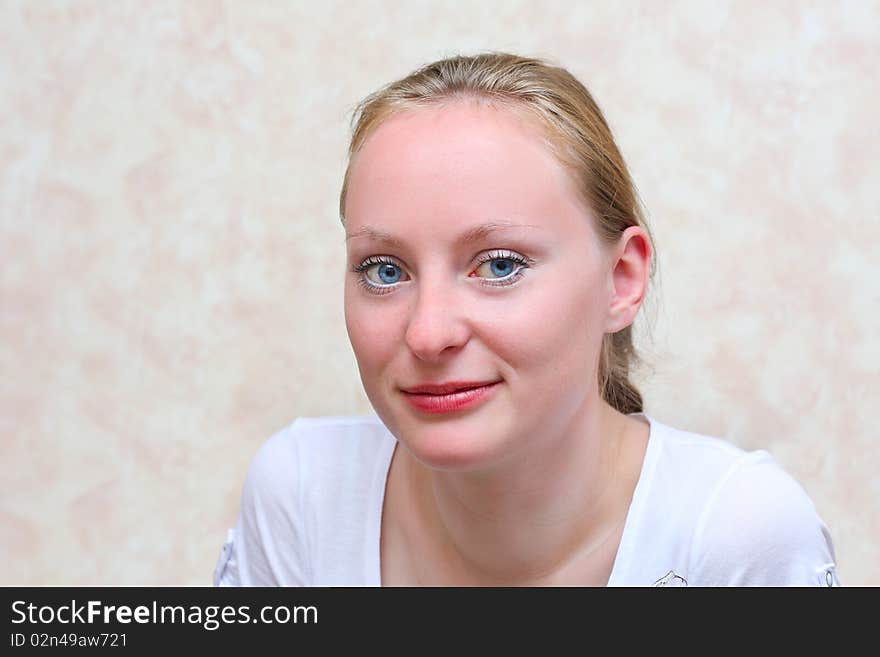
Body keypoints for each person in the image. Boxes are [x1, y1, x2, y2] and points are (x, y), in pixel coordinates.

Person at [212, 51, 840, 587]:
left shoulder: (736, 537)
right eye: (384, 270)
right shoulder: (301, 497)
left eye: (501, 265)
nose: (429, 334)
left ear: (621, 280)